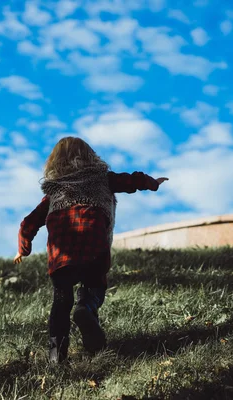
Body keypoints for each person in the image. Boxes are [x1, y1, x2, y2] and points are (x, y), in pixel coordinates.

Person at [14, 137, 168, 363]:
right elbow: (130, 181)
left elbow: (28, 223)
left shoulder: (53, 193)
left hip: (61, 254)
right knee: (94, 284)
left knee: (61, 301)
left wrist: (23, 249)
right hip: (93, 244)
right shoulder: (101, 179)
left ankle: (57, 356)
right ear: (90, 157)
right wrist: (152, 182)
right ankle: (86, 307)